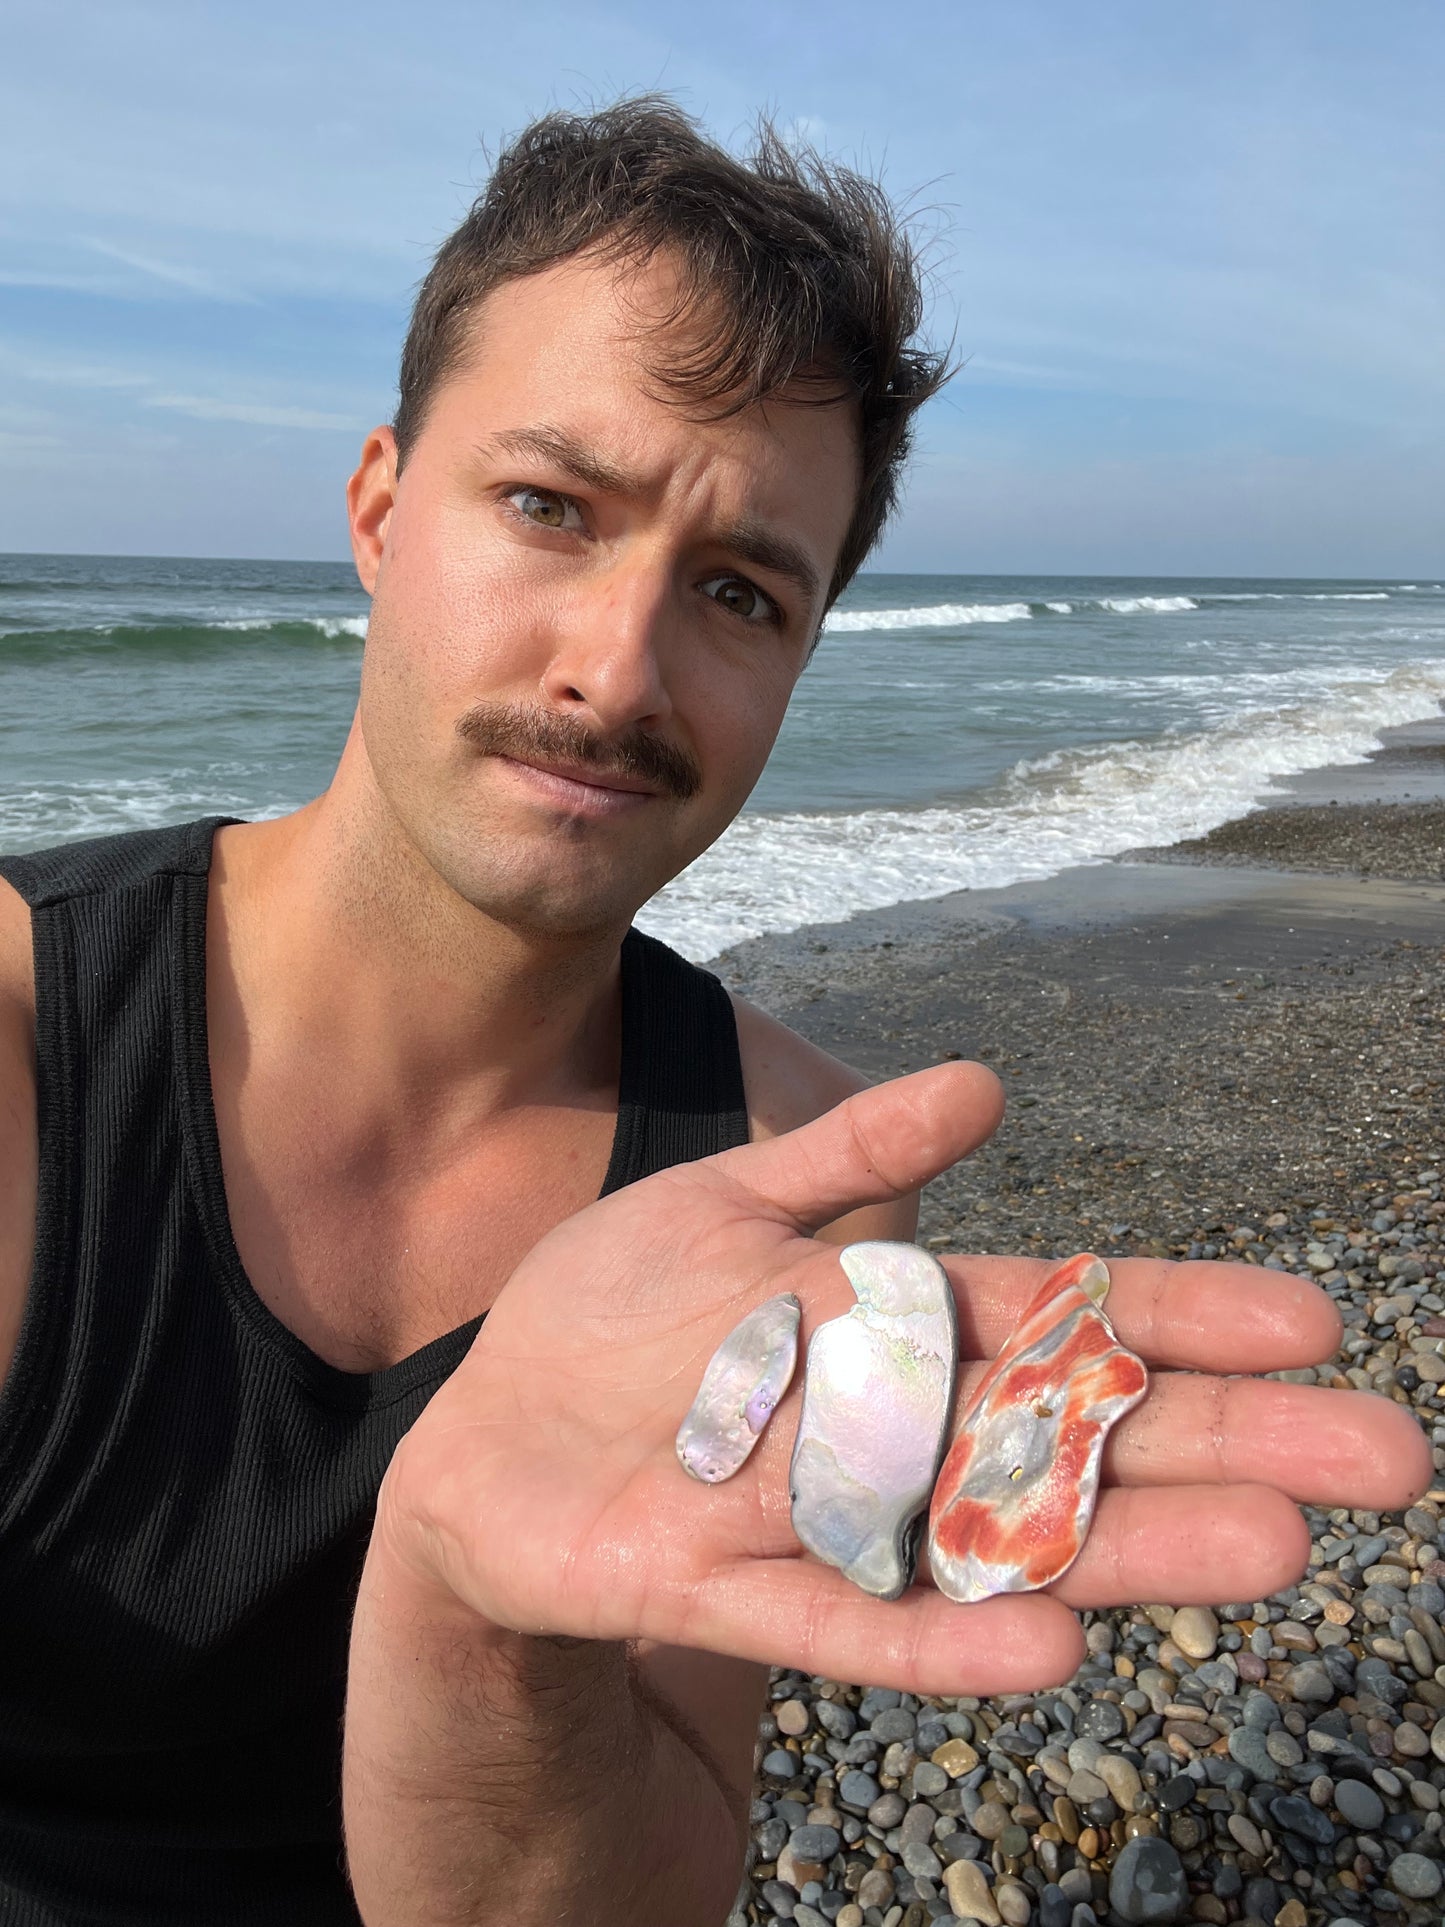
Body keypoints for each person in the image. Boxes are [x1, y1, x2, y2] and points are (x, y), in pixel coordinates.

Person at [0, 97, 1428, 1927]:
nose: (616, 670)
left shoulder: (786, 1176)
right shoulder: (29, 1047)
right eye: (545, 506)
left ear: (800, 655)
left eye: (740, 591)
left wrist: (481, 1617)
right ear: (375, 509)